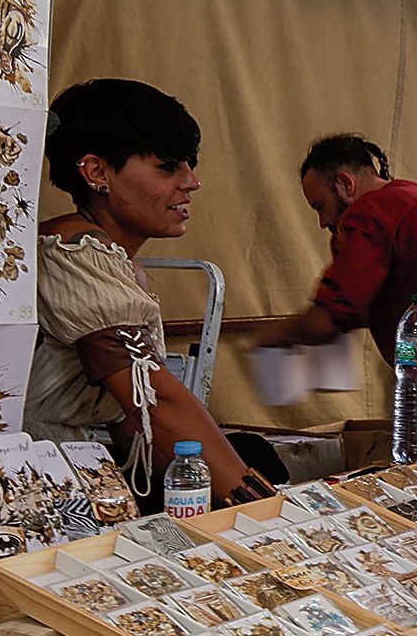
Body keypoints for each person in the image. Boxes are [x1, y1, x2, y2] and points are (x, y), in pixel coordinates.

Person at [29, 79, 272, 512]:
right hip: (40, 485)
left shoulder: (112, 261)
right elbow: (156, 401)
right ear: (97, 173)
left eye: (188, 166)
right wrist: (258, 504)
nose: (192, 182)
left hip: (80, 477)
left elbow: (134, 421)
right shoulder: (74, 254)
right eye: (168, 167)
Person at [252, 134, 417, 362]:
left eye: (320, 207)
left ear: (345, 184)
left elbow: (331, 316)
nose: (322, 223)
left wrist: (273, 334)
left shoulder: (370, 213)